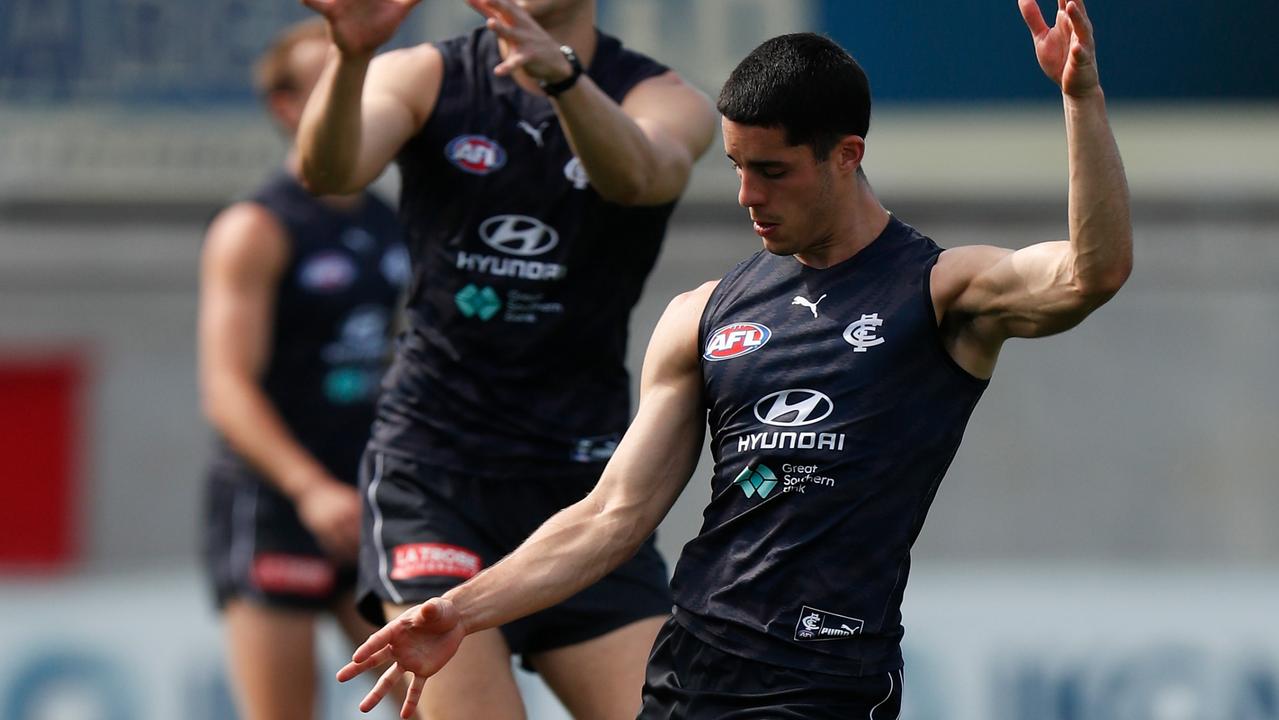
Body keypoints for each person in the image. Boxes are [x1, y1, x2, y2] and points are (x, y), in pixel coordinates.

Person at [337, 1, 1134, 718]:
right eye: (736, 168)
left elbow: (1088, 273)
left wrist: (1079, 100)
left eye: (773, 171)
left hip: (822, 683)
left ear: (846, 154)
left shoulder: (939, 291)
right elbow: (612, 516)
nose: (748, 194)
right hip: (689, 673)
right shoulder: (703, 314)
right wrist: (462, 611)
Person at [294, 0, 717, 717]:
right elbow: (329, 171)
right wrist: (352, 56)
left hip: (582, 491)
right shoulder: (423, 75)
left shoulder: (661, 96)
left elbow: (640, 178)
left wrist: (563, 83)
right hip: (433, 475)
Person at [198, 19, 409, 720]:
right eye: (329, 83)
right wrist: (309, 488)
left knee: (436, 695)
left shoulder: (394, 224)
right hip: (277, 504)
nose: (351, 99)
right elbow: (226, 387)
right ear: (287, 107)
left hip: (370, 500)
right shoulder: (255, 228)